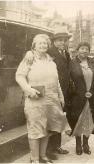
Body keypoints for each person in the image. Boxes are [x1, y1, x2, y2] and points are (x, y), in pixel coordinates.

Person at [15, 34, 67, 163]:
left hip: (51, 100)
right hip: (35, 99)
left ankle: (43, 156)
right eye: (40, 43)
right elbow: (19, 76)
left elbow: (57, 81)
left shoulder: (51, 60)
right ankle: (34, 159)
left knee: (47, 128)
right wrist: (28, 89)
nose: (43, 45)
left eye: (45, 43)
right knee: (35, 128)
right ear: (34, 46)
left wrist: (60, 96)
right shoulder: (30, 58)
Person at [67, 42, 94, 155]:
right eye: (82, 48)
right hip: (77, 96)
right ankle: (78, 143)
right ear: (77, 50)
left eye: (86, 49)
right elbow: (69, 81)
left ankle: (86, 144)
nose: (84, 51)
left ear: (89, 51)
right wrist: (78, 92)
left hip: (91, 96)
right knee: (78, 119)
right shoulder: (72, 63)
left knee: (88, 119)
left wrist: (92, 92)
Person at [47, 28, 71, 159]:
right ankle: (49, 149)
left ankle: (57, 146)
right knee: (52, 119)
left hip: (64, 91)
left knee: (60, 117)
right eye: (60, 40)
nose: (62, 42)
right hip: (53, 91)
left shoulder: (66, 53)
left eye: (65, 40)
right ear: (54, 41)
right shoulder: (50, 53)